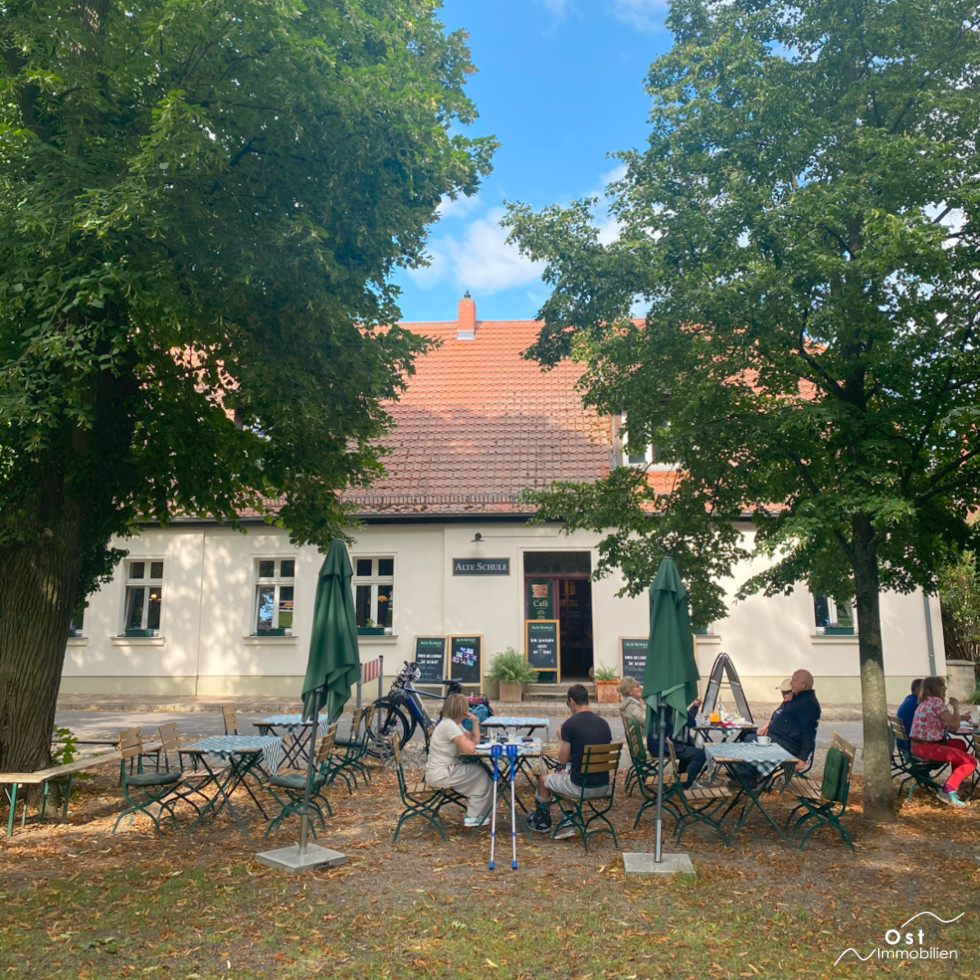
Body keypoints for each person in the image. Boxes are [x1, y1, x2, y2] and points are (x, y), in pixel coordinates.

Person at [527, 684, 612, 839]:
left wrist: (562, 737)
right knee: (565, 773)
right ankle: (568, 820)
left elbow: (563, 758)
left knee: (543, 779)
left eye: (568, 704)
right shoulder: (604, 724)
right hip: (603, 786)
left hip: (580, 787)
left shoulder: (570, 724)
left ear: (572, 702)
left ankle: (542, 821)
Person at [424, 692, 495, 828]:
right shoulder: (449, 726)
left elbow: (474, 741)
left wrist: (475, 722)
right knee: (481, 773)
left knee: (481, 771)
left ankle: (476, 813)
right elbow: (470, 749)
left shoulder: (453, 724)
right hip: (441, 773)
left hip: (443, 770)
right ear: (462, 710)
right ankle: (473, 815)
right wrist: (472, 743)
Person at [908, 675, 976, 807]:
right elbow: (954, 725)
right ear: (935, 688)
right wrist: (956, 707)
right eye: (942, 686)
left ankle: (955, 781)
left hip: (918, 745)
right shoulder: (936, 702)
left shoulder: (926, 701)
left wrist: (961, 717)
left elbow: (945, 721)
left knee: (960, 744)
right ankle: (948, 790)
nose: (945, 688)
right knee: (971, 761)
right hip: (927, 747)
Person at [763, 669, 821, 771]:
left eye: (794, 680)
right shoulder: (797, 698)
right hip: (778, 739)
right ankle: (743, 775)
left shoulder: (809, 704)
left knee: (754, 742)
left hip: (788, 746)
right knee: (748, 736)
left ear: (803, 685)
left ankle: (746, 777)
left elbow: (810, 733)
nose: (791, 683)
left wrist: (802, 759)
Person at [895, 679, 922, 753]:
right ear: (920, 690)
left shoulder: (908, 700)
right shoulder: (917, 704)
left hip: (903, 744)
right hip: (911, 746)